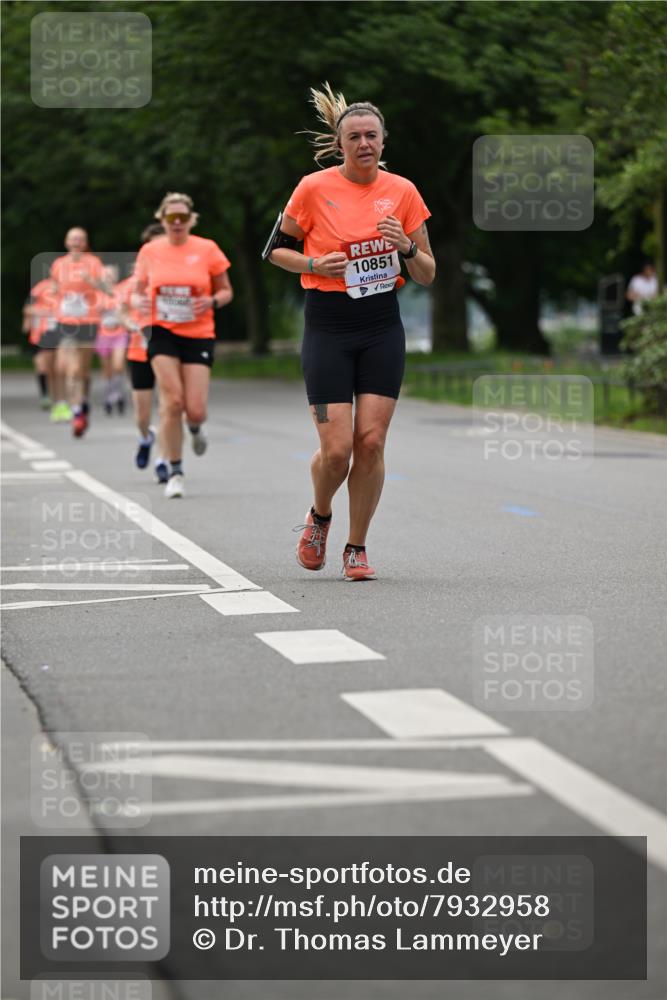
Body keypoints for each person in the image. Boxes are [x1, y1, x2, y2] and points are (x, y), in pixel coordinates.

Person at [267, 84, 435, 580]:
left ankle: (356, 547)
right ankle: (319, 516)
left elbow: (428, 272)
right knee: (337, 449)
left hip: (381, 324)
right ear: (340, 144)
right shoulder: (312, 188)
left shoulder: (403, 192)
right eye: (355, 137)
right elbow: (275, 251)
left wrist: (406, 246)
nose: (364, 144)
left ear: (384, 141)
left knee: (372, 442)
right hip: (328, 324)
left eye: (372, 136)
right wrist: (315, 263)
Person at [133, 193, 233, 498]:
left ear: (191, 220)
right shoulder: (150, 251)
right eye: (171, 217)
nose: (177, 223)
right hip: (162, 331)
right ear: (162, 220)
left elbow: (226, 291)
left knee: (195, 410)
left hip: (198, 332)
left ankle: (196, 427)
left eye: (182, 218)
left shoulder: (207, 248)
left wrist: (211, 301)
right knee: (172, 401)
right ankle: (175, 471)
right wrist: (140, 301)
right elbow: (137, 291)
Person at [116, 222, 168, 478]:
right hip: (140, 352)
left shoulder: (176, 279)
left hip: (169, 349)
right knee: (142, 414)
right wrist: (131, 324)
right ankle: (146, 437)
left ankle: (164, 460)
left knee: (169, 407)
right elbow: (122, 311)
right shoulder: (133, 283)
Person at [49, 227, 105, 437]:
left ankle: (83, 401)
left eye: (80, 239)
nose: (76, 242)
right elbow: (53, 289)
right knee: (71, 369)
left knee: (83, 370)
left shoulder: (94, 263)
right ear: (66, 242)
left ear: (85, 243)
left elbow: (107, 289)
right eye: (72, 239)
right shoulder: (58, 264)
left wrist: (91, 281)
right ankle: (77, 411)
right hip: (67, 322)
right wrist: (55, 296)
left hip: (88, 322)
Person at [95, 266, 129, 415]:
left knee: (118, 365)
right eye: (106, 275)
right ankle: (108, 396)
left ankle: (118, 393)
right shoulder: (97, 294)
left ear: (116, 277)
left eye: (111, 275)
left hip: (120, 333)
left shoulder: (121, 292)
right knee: (107, 369)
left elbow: (127, 309)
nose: (109, 278)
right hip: (103, 335)